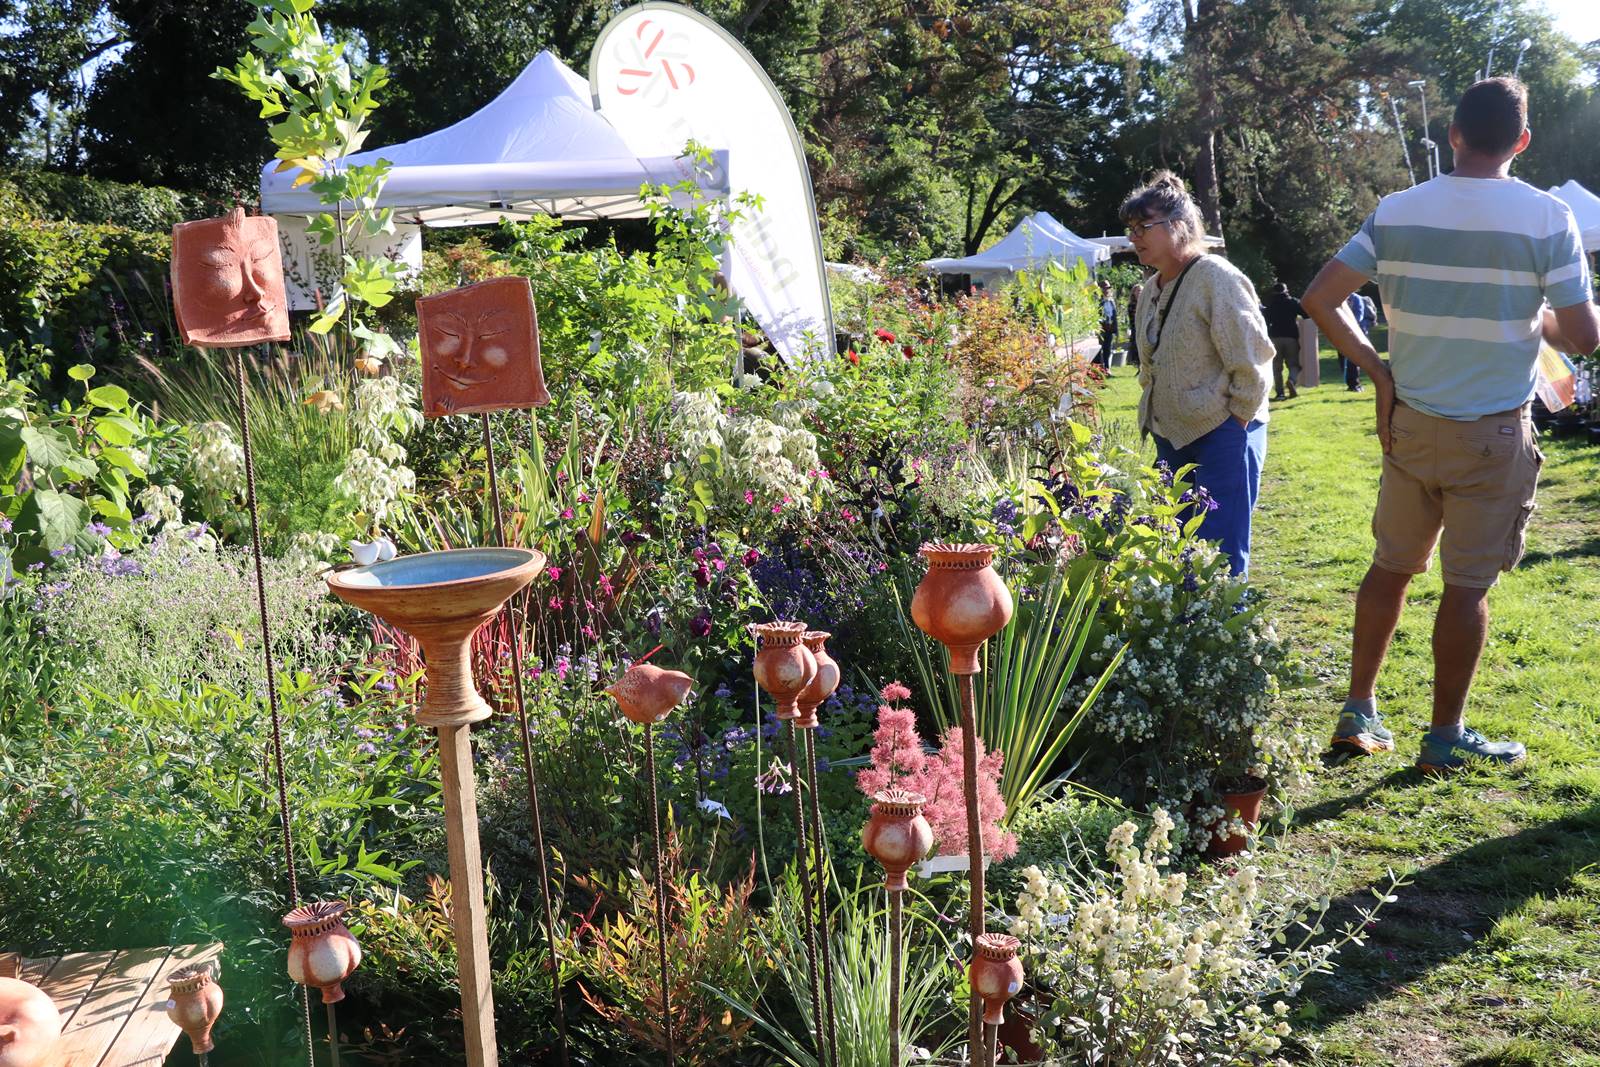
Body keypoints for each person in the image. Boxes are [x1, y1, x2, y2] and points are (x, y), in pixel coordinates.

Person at [1302, 77, 1599, 774]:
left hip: (1410, 422)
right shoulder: (1547, 216)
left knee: (1389, 568)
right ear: (1521, 141)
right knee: (1466, 588)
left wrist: (1378, 371)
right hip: (1493, 433)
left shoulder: (1398, 209)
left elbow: (1320, 298)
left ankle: (1361, 708)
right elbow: (1582, 337)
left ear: (1455, 135)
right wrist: (1539, 316)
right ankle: (1444, 734)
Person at [1126, 170, 1275, 577]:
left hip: (1222, 434)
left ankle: (1231, 634)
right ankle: (1188, 635)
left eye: (1144, 226)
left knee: (1220, 553)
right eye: (1131, 228)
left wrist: (1235, 423)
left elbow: (1252, 359)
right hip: (1171, 436)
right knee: (1178, 545)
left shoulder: (1215, 277)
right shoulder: (1151, 289)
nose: (1134, 237)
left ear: (1178, 226)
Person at [1262, 282, 1303, 400]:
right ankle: (1291, 380)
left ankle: (1280, 393)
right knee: (1294, 365)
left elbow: (1265, 320)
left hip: (1274, 338)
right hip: (1291, 337)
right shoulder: (1292, 302)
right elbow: (1305, 314)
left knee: (1276, 367)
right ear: (1286, 291)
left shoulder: (1270, 304)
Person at [1342, 290, 1375, 391]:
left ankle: (1355, 384)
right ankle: (1351, 383)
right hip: (1344, 333)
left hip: (1358, 333)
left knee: (1355, 360)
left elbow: (1359, 317)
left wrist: (1345, 324)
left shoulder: (1356, 299)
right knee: (1346, 359)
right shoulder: (1341, 298)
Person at [1095, 279, 1117, 368]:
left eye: (1107, 288)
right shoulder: (1098, 301)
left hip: (1109, 328)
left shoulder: (1111, 301)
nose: (1106, 290)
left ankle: (1107, 368)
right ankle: (1100, 369)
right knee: (1100, 349)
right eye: (1104, 288)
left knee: (1108, 349)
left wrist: (1115, 329)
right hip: (1101, 328)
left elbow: (1114, 315)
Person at [1126, 283, 1143, 366]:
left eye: (1141, 290)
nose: (1140, 292)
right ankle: (1138, 365)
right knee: (1136, 347)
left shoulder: (1146, 303)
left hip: (1144, 328)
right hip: (1136, 328)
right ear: (1134, 293)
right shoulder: (1132, 305)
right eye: (1138, 290)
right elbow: (1133, 318)